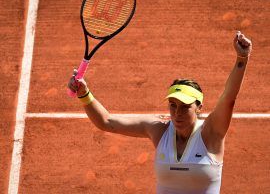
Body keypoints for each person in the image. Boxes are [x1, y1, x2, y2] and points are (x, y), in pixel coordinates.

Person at [68, 31, 252, 194]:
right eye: (173, 105)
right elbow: (106, 121)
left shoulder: (212, 133)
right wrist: (84, 94)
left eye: (185, 106)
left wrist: (241, 59)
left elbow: (229, 97)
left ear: (199, 107)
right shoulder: (159, 130)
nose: (177, 112)